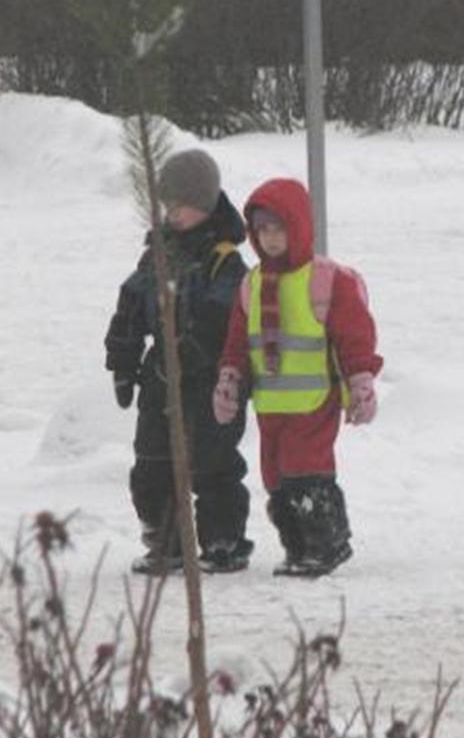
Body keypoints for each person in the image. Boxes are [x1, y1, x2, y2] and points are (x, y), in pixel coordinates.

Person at [213, 178, 382, 578]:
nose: (270, 239)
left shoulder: (326, 280)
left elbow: (353, 335)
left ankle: (326, 543)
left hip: (314, 401)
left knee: (307, 472)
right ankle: (298, 546)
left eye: (279, 228)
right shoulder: (251, 285)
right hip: (270, 404)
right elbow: (237, 341)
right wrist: (230, 379)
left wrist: (360, 380)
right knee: (277, 478)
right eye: (262, 230)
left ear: (300, 226)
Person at [105, 149, 254, 575]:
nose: (173, 214)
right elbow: (131, 306)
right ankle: (164, 539)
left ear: (205, 205)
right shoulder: (157, 255)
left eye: (182, 206)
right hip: (159, 376)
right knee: (152, 461)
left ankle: (223, 541)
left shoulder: (223, 260)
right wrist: (123, 361)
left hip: (209, 377)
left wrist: (189, 354)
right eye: (167, 205)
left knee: (213, 462)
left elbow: (224, 315)